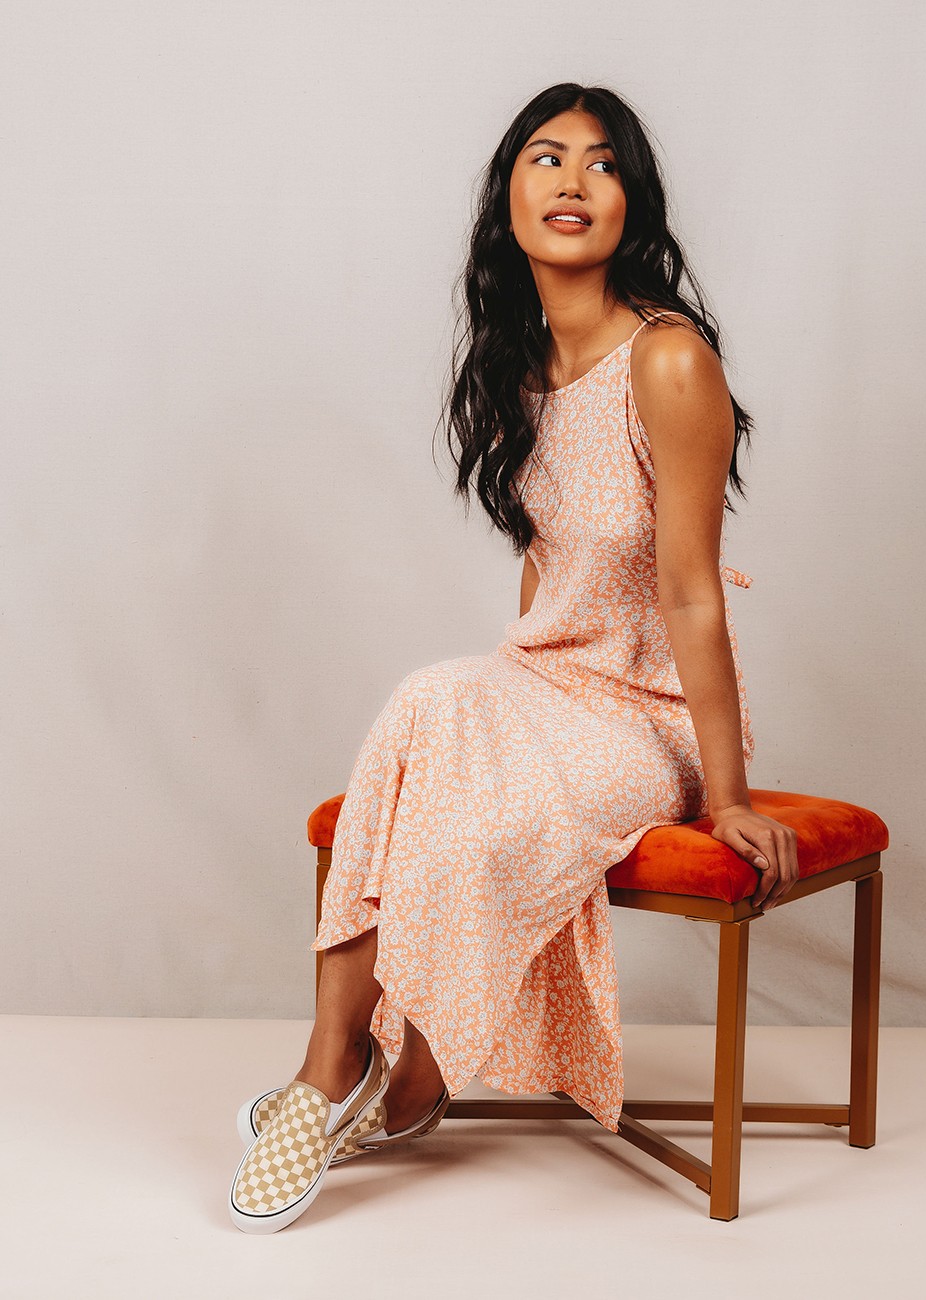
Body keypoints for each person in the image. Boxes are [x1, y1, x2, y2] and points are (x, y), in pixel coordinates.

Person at [228, 80, 799, 1233]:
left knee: (471, 808)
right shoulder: (516, 363)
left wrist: (727, 792)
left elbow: (689, 592)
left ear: (631, 202)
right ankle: (332, 1061)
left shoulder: (667, 360)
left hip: (646, 709)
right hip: (546, 679)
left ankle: (412, 1063)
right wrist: (502, 705)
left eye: (601, 161)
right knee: (431, 698)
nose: (572, 179)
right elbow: (545, 572)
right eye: (546, 157)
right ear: (507, 200)